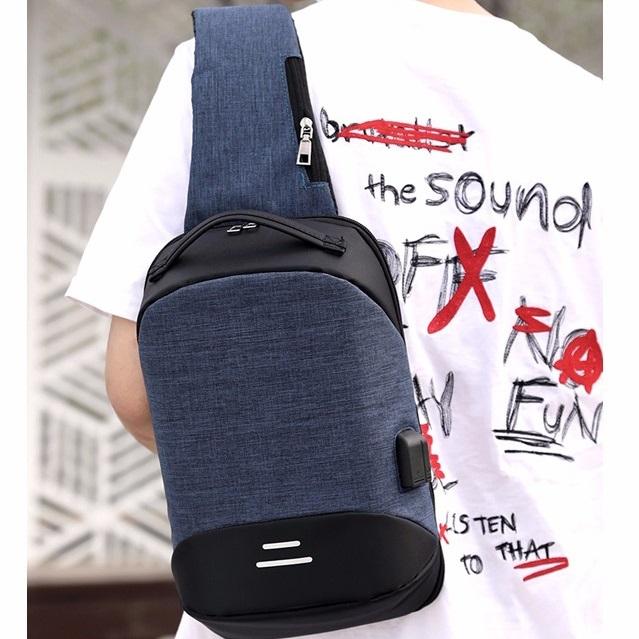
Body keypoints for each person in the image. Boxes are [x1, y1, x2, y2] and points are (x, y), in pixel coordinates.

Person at [65, 0, 603, 637]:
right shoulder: (599, 113)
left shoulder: (234, 73)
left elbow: (141, 395)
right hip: (555, 609)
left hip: (292, 600)